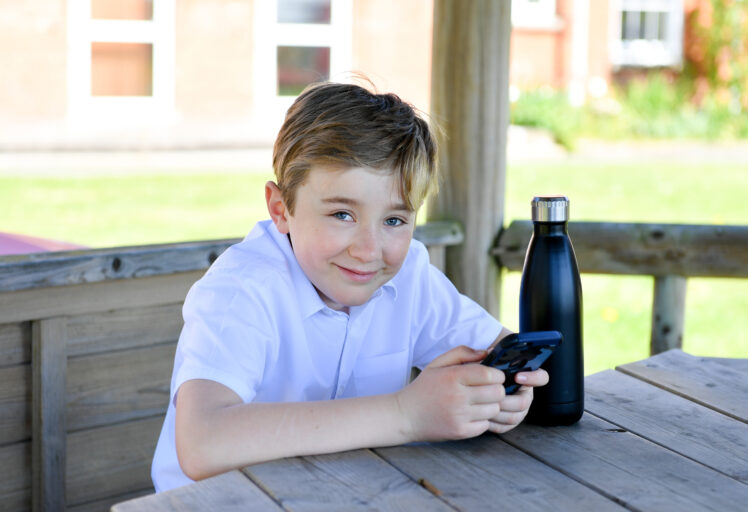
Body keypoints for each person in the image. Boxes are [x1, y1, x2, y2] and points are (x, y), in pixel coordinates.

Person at [151, 81, 548, 492]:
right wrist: (405, 414)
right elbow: (202, 443)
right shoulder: (244, 290)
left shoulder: (408, 273)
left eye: (394, 221)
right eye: (342, 214)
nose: (368, 250)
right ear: (280, 209)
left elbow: (498, 349)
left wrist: (502, 395)